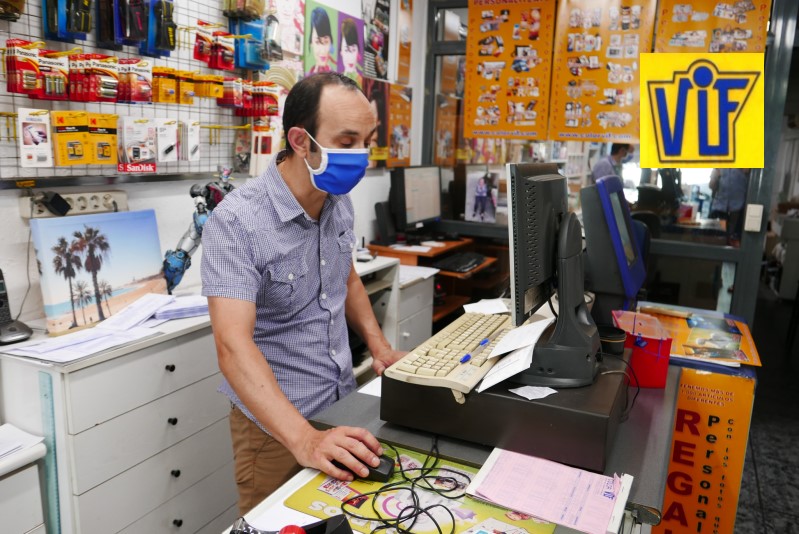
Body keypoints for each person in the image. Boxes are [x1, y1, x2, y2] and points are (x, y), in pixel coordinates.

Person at [201, 72, 404, 514]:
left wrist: (379, 346)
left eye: (367, 141)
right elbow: (232, 347)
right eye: (347, 141)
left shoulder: (337, 199)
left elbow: (345, 276)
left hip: (342, 403)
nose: (362, 157)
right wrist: (304, 438)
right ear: (300, 140)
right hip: (277, 428)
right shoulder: (237, 222)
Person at [709, 168, 749, 245]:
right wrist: (715, 176)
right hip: (719, 208)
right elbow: (711, 186)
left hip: (737, 209)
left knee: (733, 240)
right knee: (714, 238)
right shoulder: (720, 165)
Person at [308, 7, 334, 74]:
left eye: (326, 42)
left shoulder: (335, 78)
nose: (323, 50)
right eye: (317, 42)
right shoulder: (307, 76)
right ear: (311, 43)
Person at [339, 18, 362, 88]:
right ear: (341, 52)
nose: (351, 57)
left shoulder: (361, 81)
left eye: (353, 50)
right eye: (346, 50)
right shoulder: (337, 81)